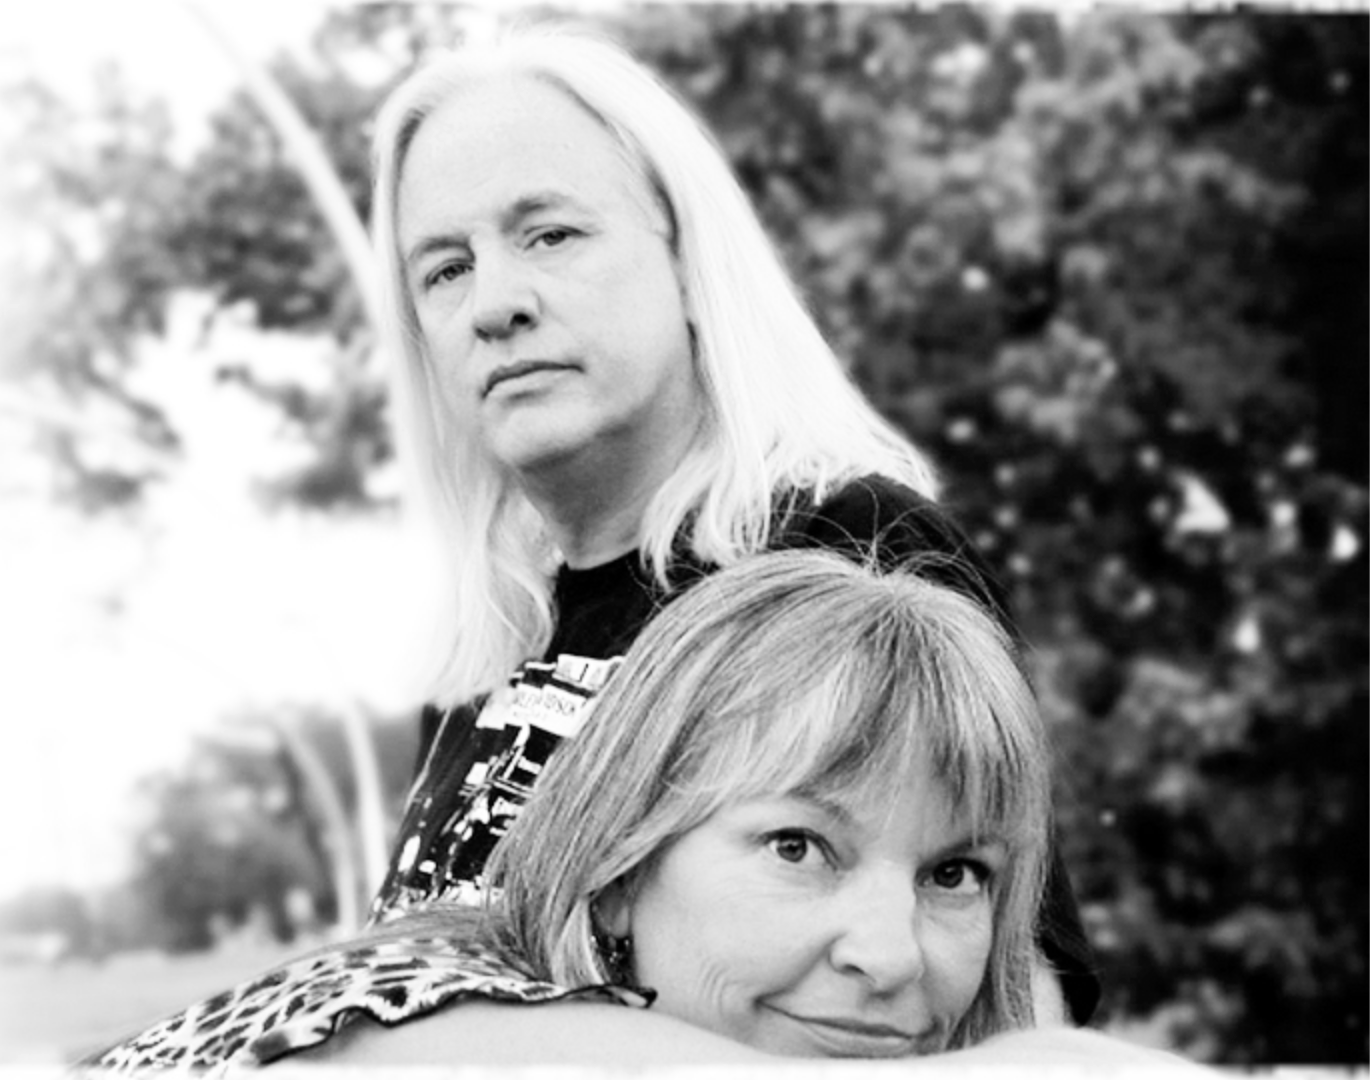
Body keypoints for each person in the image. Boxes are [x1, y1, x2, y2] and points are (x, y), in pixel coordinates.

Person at [363, 20, 1100, 1024]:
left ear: (684, 256)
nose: (494, 303)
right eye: (443, 268)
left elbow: (1014, 1001)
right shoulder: (482, 656)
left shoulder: (849, 551)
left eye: (551, 233)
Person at [84, 554, 1204, 1070]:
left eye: (953, 874)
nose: (889, 957)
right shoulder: (407, 1011)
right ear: (619, 865)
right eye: (798, 846)